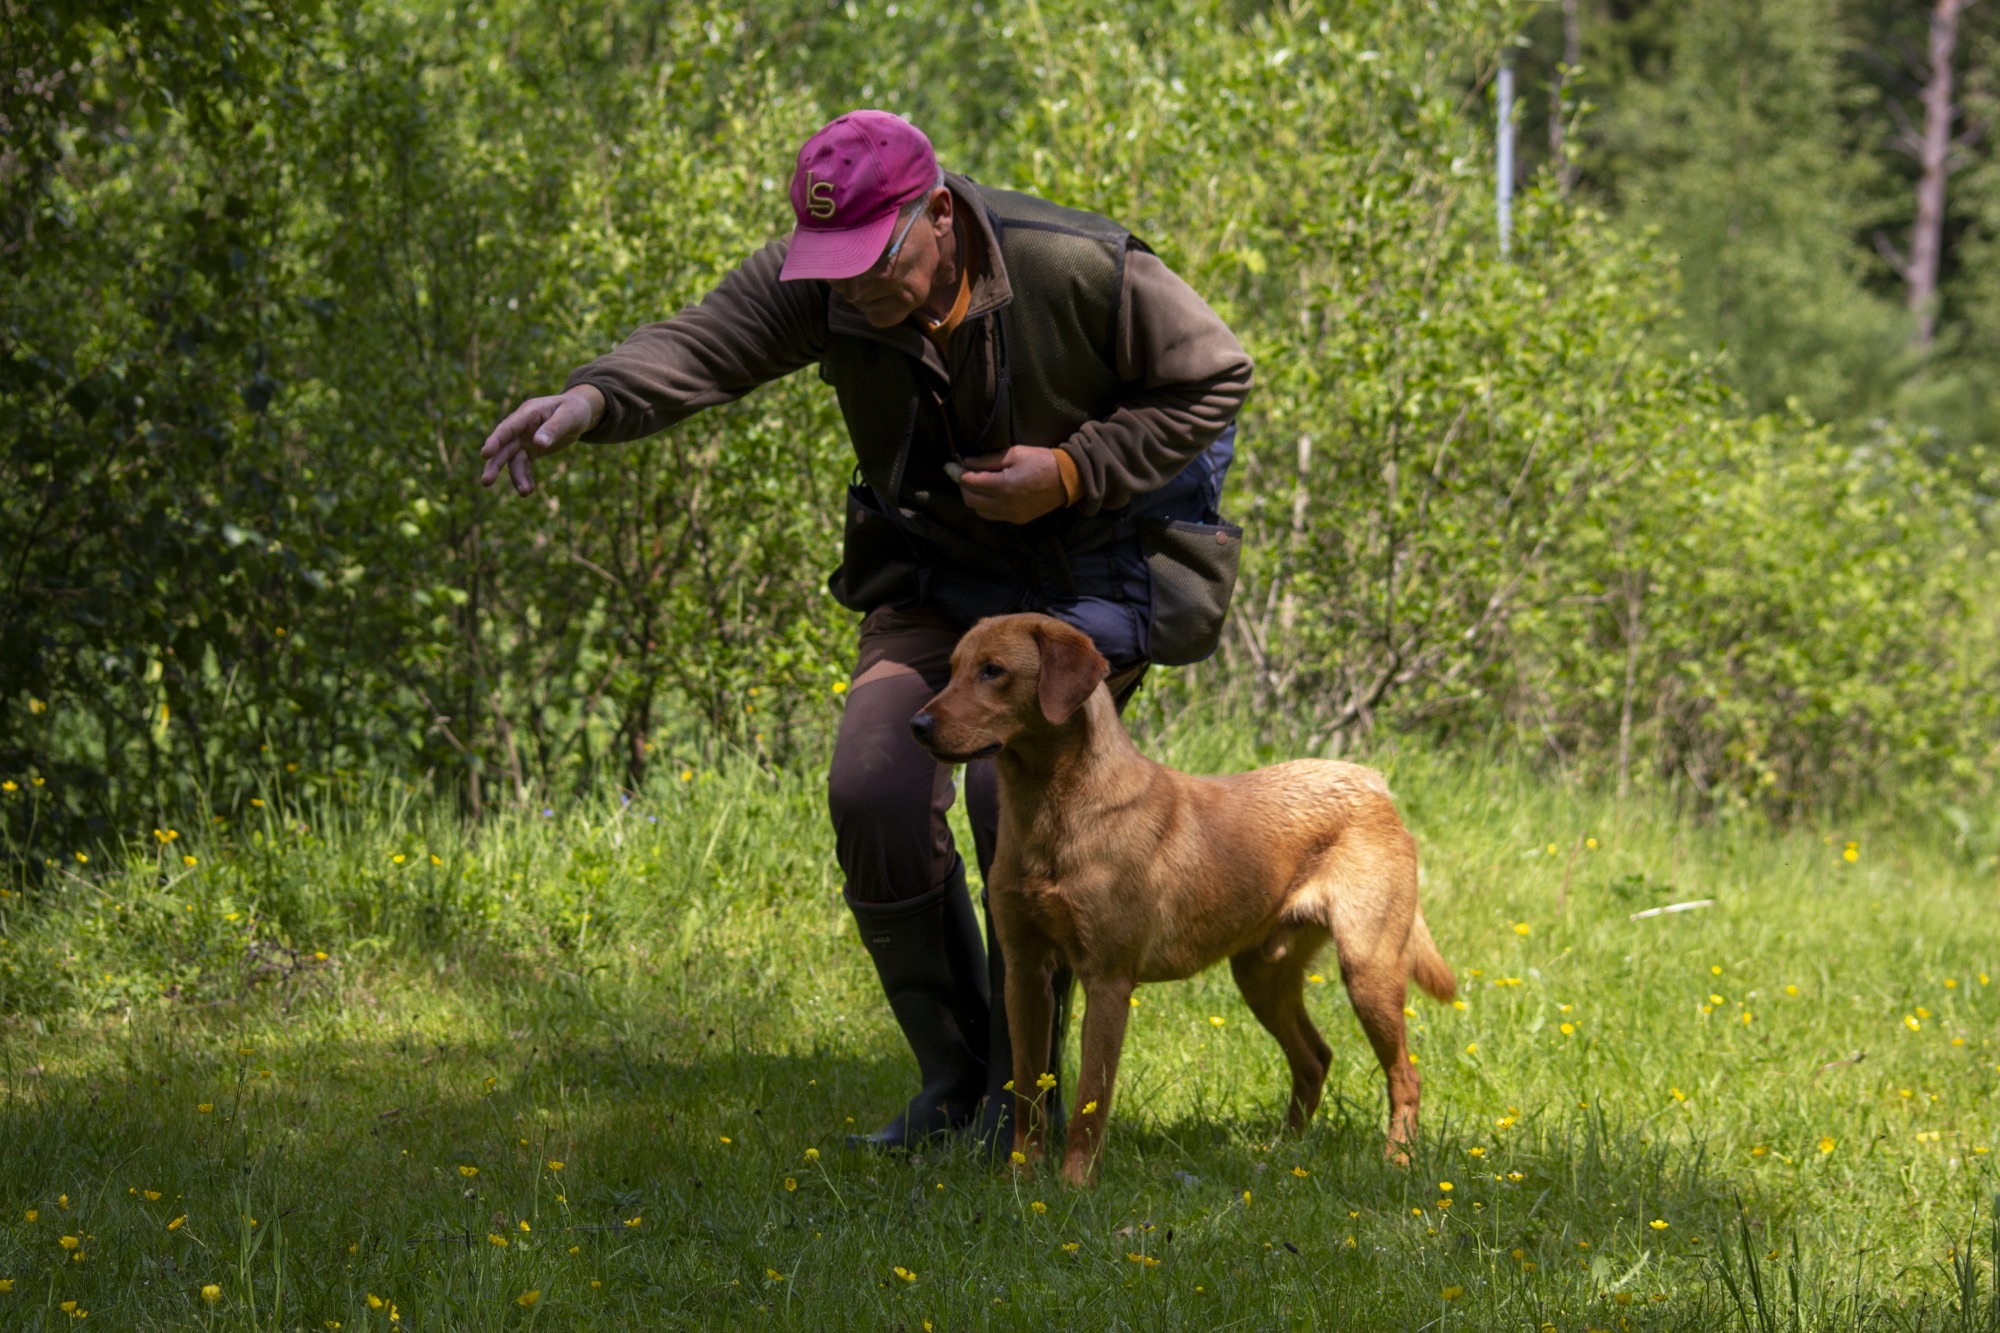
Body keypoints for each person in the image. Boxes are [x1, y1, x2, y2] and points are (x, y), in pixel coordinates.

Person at [480, 110, 1251, 1153]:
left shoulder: (1075, 263)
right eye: (831, 270)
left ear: (938, 215)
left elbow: (1215, 373)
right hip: (938, 574)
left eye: (874, 263)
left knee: (1010, 788)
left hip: (1080, 577)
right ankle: (958, 1081)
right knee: (873, 788)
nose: (850, 291)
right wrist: (590, 398)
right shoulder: (832, 275)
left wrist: (1073, 469)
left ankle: (1020, 1098)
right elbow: (704, 342)